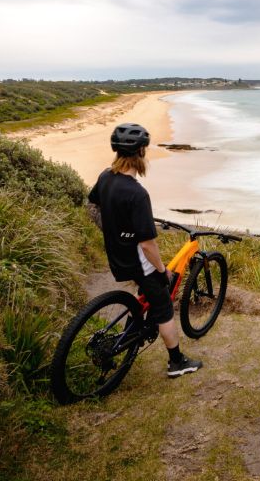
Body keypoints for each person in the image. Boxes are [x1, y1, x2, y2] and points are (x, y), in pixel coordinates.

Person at [88, 123, 203, 378]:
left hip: (116, 255)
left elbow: (92, 204)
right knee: (163, 306)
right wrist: (162, 271)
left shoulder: (106, 176)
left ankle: (136, 325)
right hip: (138, 261)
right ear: (140, 152)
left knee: (145, 292)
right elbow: (148, 245)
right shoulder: (137, 193)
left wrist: (113, 232)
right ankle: (177, 362)